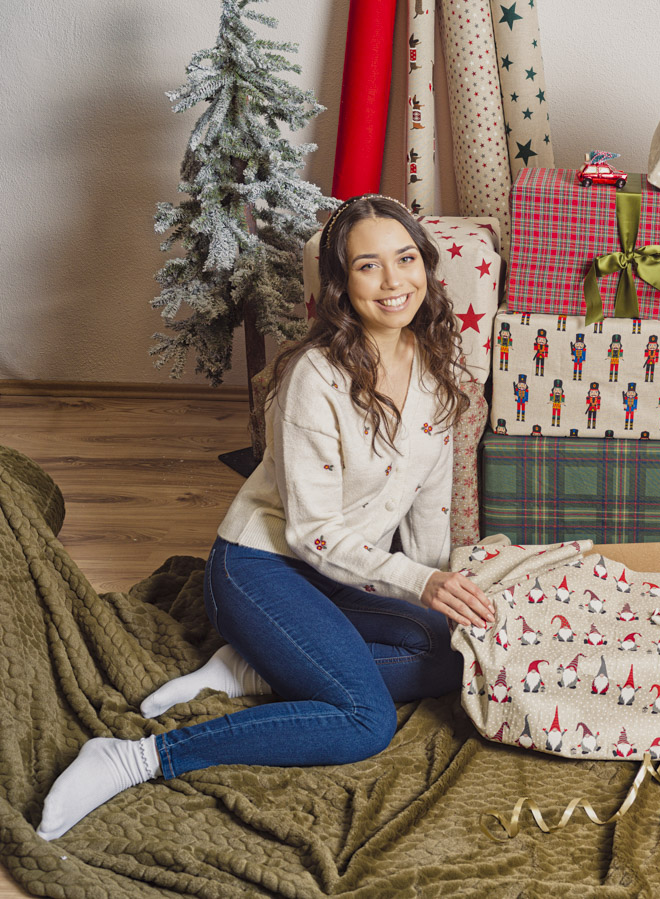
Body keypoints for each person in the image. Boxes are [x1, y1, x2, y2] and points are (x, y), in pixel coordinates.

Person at [37, 195, 494, 840]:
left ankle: (250, 668)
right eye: (369, 266)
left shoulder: (436, 367)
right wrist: (418, 585)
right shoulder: (316, 377)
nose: (394, 282)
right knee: (364, 719)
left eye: (406, 258)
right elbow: (313, 533)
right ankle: (136, 757)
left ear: (426, 266)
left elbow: (428, 508)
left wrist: (439, 587)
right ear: (340, 284)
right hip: (264, 568)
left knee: (460, 653)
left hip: (347, 576)